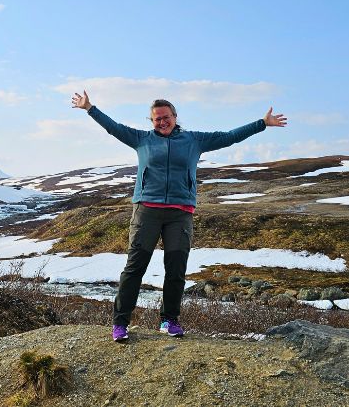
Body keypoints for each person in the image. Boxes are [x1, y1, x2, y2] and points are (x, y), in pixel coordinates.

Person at [71, 90, 287, 342]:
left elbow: (229, 137)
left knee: (175, 271)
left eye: (166, 117)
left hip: (179, 214)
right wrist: (90, 108)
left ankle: (169, 320)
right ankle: (120, 323)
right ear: (151, 121)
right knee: (134, 268)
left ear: (175, 116)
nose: (161, 122)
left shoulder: (193, 140)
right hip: (147, 211)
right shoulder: (141, 139)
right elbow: (113, 127)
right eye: (156, 119)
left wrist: (262, 123)